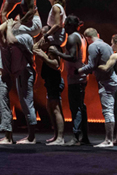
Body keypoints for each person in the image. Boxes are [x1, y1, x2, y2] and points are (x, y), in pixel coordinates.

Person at [76, 28, 117, 148]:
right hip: (114, 81)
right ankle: (115, 138)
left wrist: (78, 71)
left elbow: (91, 66)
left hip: (107, 82)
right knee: (112, 110)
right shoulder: (107, 45)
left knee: (108, 111)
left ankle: (108, 140)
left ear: (87, 38)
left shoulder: (92, 46)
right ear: (98, 34)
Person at [3, 5, 42, 144]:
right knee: (25, 103)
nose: (13, 21)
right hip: (22, 71)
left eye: (16, 19)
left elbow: (10, 40)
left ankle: (32, 137)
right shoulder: (23, 34)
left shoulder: (25, 36)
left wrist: (8, 27)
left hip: (25, 71)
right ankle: (30, 135)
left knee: (27, 102)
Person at [49, 15, 90, 146]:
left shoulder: (72, 37)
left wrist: (57, 53)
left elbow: (72, 57)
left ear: (72, 26)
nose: (64, 27)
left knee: (76, 108)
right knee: (81, 107)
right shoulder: (81, 37)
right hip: (81, 77)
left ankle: (76, 137)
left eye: (66, 25)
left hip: (76, 78)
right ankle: (84, 137)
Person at [0, 22, 15, 144]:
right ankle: (7, 135)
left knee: (4, 107)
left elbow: (1, 31)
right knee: (0, 108)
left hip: (3, 79)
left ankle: (8, 137)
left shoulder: (4, 45)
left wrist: (7, 22)